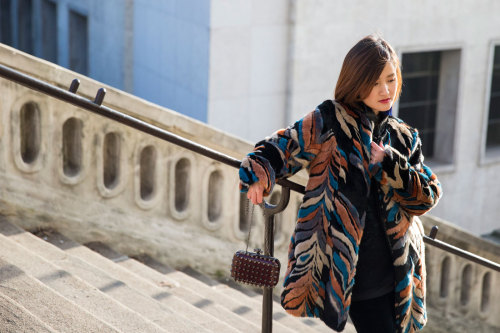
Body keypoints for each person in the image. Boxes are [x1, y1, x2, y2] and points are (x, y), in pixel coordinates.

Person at [238, 34, 442, 333]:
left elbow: (427, 197)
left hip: (401, 271)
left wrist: (390, 162)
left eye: (390, 79)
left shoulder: (403, 136)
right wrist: (258, 172)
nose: (385, 90)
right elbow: (282, 146)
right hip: (356, 273)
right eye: (374, 82)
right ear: (357, 82)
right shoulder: (331, 120)